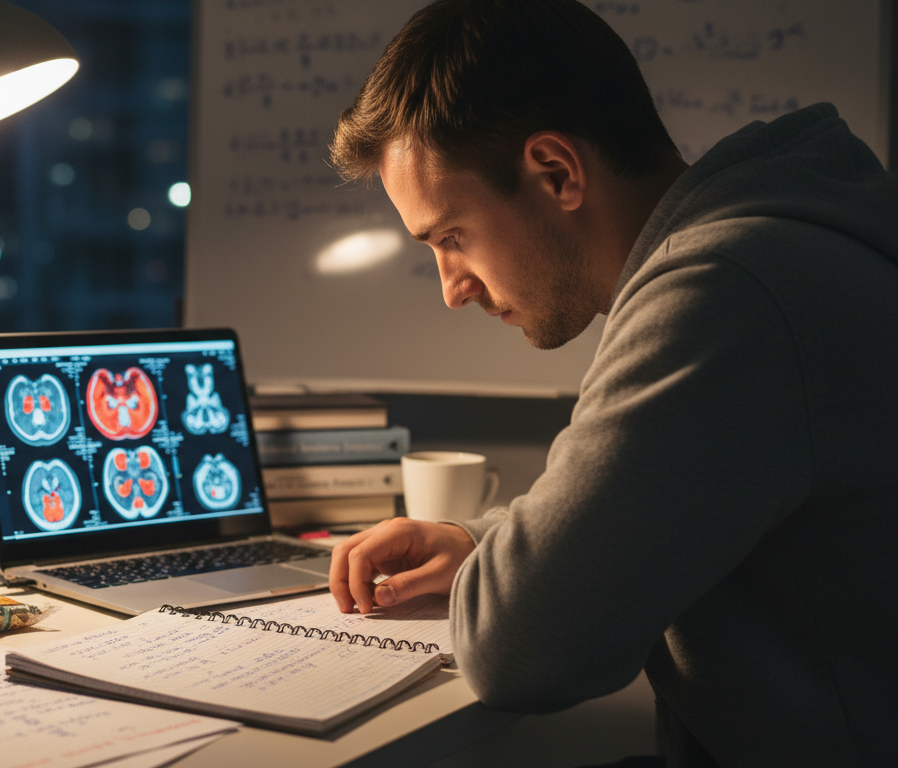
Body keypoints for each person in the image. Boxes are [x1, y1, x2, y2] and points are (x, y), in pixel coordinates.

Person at [325, 1, 898, 765]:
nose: (451, 288)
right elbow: (660, 512)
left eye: (451, 236)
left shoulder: (723, 295)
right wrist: (476, 543)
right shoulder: (777, 240)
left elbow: (517, 649)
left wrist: (498, 580)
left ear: (556, 172)